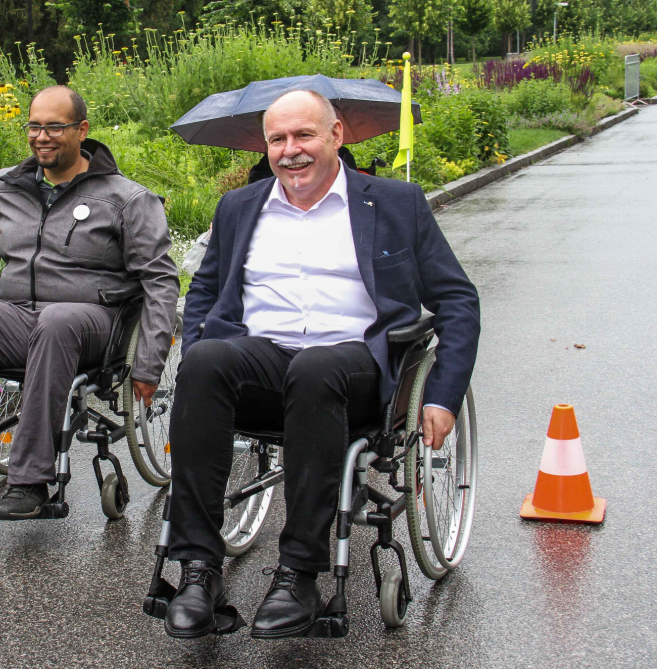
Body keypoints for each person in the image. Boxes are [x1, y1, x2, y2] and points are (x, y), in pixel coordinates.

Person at [161, 89, 480, 639]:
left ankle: (298, 574)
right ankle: (198, 570)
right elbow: (206, 294)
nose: (291, 151)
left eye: (304, 135)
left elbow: (457, 300)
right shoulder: (240, 207)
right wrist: (196, 352)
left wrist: (442, 394)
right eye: (278, 139)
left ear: (336, 136)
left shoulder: (396, 203)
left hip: (355, 364)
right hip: (262, 357)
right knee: (206, 360)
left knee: (315, 370)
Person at [0, 86, 179, 521]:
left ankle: (30, 482)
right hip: (19, 316)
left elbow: (160, 280)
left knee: (58, 321)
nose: (43, 136)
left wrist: (149, 365)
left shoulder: (126, 198)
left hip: (94, 322)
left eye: (55, 127)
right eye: (35, 127)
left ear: (82, 130)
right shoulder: (7, 185)